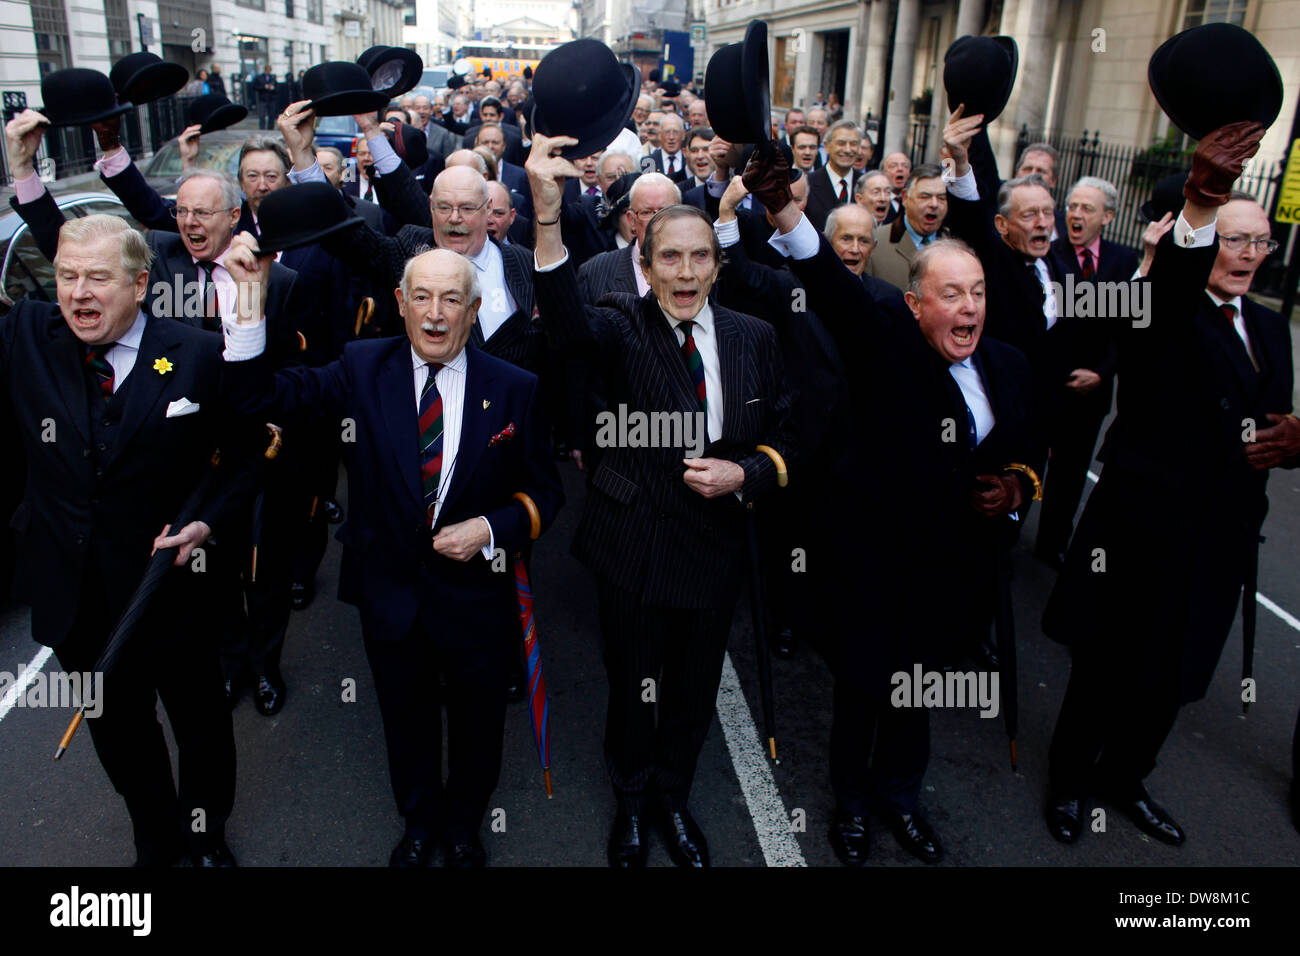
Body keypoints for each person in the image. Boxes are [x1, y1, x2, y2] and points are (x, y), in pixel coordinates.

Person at [743, 141, 1041, 867]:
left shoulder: (1006, 366)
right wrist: (786, 208)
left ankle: (900, 800)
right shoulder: (889, 349)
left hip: (953, 576)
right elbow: (834, 289)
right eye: (950, 294)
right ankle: (850, 805)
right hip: (874, 569)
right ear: (915, 305)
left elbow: (1034, 449)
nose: (967, 306)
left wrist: (1017, 489)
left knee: (918, 696)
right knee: (865, 692)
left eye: (976, 293)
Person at [220, 237, 563, 867]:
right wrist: (247, 305)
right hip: (390, 593)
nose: (435, 313)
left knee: (478, 722)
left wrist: (488, 528)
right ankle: (419, 823)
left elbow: (545, 492)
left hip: (477, 599)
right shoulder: (359, 366)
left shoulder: (516, 387)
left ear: (475, 308)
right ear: (401, 304)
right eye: (423, 297)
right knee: (404, 720)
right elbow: (258, 401)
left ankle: (462, 826)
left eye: (452, 299)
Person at [528, 131, 794, 868]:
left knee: (692, 690)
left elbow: (792, 431)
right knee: (636, 688)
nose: (684, 271)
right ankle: (632, 801)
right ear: (644, 266)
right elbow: (568, 332)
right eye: (668, 257)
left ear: (718, 265)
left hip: (713, 551)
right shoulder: (620, 322)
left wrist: (750, 473)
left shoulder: (754, 337)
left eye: (699, 256)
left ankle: (674, 801)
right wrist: (548, 219)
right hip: (634, 547)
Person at [4, 117, 263, 865]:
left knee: (201, 724)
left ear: (142, 285)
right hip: (75, 597)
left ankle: (203, 834)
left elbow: (242, 460)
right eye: (67, 278)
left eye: (98, 279)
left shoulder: (192, 354)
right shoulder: (27, 335)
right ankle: (155, 835)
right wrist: (22, 174)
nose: (78, 295)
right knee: (118, 733)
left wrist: (206, 528)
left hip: (173, 589)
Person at [1043, 122, 1298, 848]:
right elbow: (1152, 311)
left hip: (1221, 540)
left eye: (1258, 242)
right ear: (1203, 244)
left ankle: (1125, 778)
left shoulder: (1272, 329)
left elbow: (1269, 415)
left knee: (1175, 677)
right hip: (1141, 532)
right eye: (1230, 238)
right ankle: (1068, 780)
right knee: (1107, 668)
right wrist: (1204, 195)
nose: (1245, 255)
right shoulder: (1161, 310)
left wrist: (1296, 442)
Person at [1034, 176, 1137, 568]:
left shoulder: (1126, 262)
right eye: (1072, 206)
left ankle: (1052, 543)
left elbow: (1129, 328)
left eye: (1087, 209)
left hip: (1092, 389)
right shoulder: (1047, 254)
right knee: (1029, 465)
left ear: (1108, 217)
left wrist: (1102, 372)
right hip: (1049, 385)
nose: (1075, 214)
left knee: (1071, 473)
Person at [864, 163, 949, 291]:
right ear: (905, 198)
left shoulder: (955, 245)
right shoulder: (875, 242)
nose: (934, 204)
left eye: (942, 198)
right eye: (925, 197)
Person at [805, 120, 864, 231]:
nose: (847, 150)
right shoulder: (808, 184)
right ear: (827, 147)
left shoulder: (865, 184)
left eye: (853, 144)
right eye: (841, 143)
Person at [650, 113, 688, 183]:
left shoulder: (689, 160)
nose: (671, 137)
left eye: (676, 132)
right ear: (659, 135)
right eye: (667, 132)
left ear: (683, 135)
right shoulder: (649, 161)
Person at [881, 152, 911, 221]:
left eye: (905, 166)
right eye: (893, 166)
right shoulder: (876, 199)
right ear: (883, 173)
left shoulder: (913, 202)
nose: (900, 169)